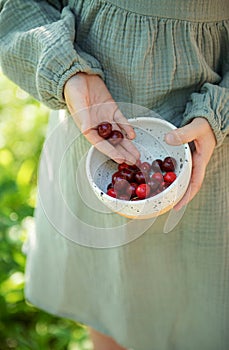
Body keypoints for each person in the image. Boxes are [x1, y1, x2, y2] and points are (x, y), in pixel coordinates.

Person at [0, 0, 228, 349]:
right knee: (111, 291)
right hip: (90, 111)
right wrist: (69, 73)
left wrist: (221, 109)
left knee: (204, 305)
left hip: (212, 147)